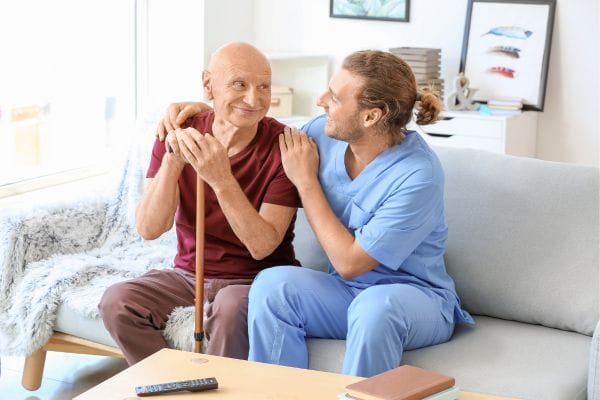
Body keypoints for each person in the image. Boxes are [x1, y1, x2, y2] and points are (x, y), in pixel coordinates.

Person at [160, 49, 474, 378]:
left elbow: (350, 263)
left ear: (371, 116)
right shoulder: (324, 135)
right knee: (272, 285)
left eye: (335, 97)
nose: (321, 100)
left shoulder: (418, 176)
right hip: (345, 294)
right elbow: (262, 129)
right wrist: (205, 111)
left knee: (375, 309)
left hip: (415, 299)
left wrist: (306, 182)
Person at [98, 42, 301, 365]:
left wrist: (220, 178)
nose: (254, 99)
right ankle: (168, 386)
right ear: (208, 85)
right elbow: (149, 228)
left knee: (232, 306)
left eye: (263, 87)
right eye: (239, 84)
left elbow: (262, 246)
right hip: (187, 275)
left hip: (256, 278)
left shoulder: (285, 147)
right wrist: (173, 161)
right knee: (117, 301)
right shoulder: (179, 130)